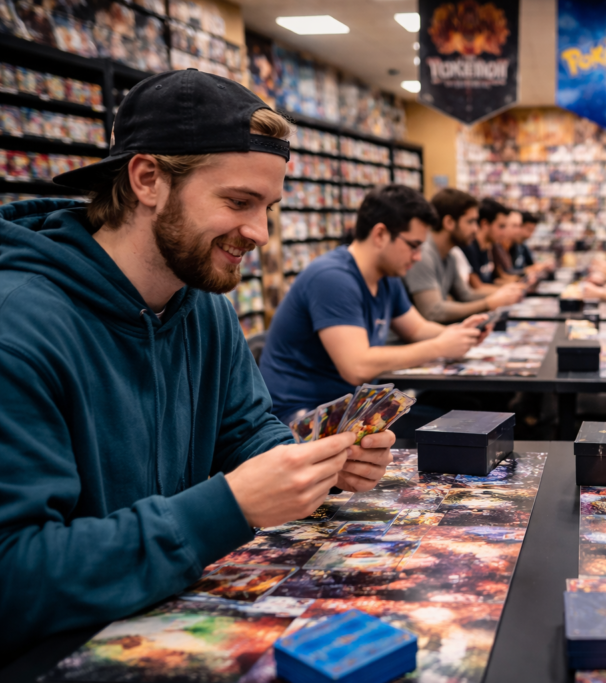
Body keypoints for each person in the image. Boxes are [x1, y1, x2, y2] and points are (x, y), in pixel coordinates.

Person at [0, 70, 394, 657]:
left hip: (180, 626)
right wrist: (229, 507)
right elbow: (16, 580)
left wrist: (311, 464)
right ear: (148, 178)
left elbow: (242, 428)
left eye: (269, 207)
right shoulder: (19, 326)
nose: (259, 232)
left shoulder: (202, 303)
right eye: (238, 202)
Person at [260, 184, 491, 423]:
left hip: (351, 410)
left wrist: (459, 334)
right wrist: (440, 347)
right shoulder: (332, 277)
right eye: (413, 245)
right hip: (304, 417)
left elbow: (416, 329)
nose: (418, 256)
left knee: (467, 416)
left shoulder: (386, 276)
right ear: (380, 234)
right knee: (457, 430)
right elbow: (356, 367)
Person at [404, 188, 524, 323]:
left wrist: (504, 293)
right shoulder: (423, 255)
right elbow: (433, 311)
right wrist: (488, 303)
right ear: (449, 222)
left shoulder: (451, 255)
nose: (476, 229)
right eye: (470, 221)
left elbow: (466, 295)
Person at [462, 197, 518, 291]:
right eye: (501, 226)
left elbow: (495, 280)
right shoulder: (469, 248)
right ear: (485, 224)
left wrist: (518, 283)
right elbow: (477, 287)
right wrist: (510, 290)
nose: (504, 233)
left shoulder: (490, 247)